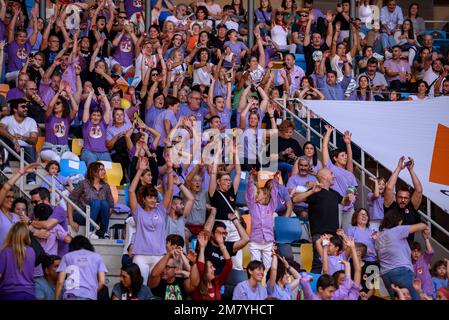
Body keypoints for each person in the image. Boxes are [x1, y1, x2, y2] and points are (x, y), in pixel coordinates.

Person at [292, 168, 353, 274]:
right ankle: (314, 287)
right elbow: (295, 199)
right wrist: (312, 191)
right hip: (320, 235)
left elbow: (345, 202)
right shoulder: (315, 190)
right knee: (318, 264)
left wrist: (348, 197)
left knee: (336, 265)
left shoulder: (334, 193)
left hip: (334, 236)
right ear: (324, 177)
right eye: (331, 174)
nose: (334, 176)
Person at [129, 157, 174, 284]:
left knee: (156, 287)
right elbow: (131, 191)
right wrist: (140, 171)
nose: (154, 200)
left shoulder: (160, 210)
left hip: (159, 255)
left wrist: (170, 169)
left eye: (155, 197)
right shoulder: (138, 212)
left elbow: (170, 190)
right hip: (140, 256)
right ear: (143, 199)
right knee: (141, 288)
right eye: (150, 197)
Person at [374, 209, 429, 300]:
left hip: (385, 274)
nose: (401, 222)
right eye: (401, 220)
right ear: (398, 220)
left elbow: (379, 258)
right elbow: (420, 225)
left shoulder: (379, 237)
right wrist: (426, 227)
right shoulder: (397, 230)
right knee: (414, 297)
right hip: (401, 270)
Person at [322, 125, 357, 230]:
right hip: (336, 204)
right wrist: (328, 132)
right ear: (335, 158)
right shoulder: (330, 167)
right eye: (342, 155)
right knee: (334, 230)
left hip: (349, 206)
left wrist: (348, 143)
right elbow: (324, 148)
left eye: (345, 155)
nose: (345, 157)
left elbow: (353, 186)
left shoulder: (349, 173)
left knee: (348, 233)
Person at [67, 162, 114, 239]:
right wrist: (71, 221)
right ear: (94, 172)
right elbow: (70, 200)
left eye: (104, 169)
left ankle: (103, 231)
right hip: (82, 215)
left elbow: (111, 206)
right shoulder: (83, 183)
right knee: (96, 202)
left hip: (97, 218)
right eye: (101, 170)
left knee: (105, 204)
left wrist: (103, 217)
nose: (104, 172)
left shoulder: (106, 186)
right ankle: (89, 231)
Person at [55, 235, 108, 300]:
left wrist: (56, 298)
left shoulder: (67, 256)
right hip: (90, 296)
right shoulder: (97, 257)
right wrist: (92, 292)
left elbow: (60, 282)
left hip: (71, 296)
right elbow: (102, 281)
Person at [384, 156, 423, 243]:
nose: (403, 200)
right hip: (390, 247)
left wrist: (411, 170)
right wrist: (398, 168)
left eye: (405, 198)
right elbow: (389, 188)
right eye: (400, 197)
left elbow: (419, 191)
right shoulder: (390, 206)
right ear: (396, 197)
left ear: (409, 199)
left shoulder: (412, 208)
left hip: (407, 249)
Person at [246, 169, 279, 270]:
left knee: (268, 268)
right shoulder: (252, 206)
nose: (256, 194)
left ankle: (266, 285)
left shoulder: (271, 206)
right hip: (255, 241)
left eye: (258, 193)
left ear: (265, 195)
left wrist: (275, 180)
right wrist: (251, 179)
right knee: (255, 268)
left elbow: (274, 193)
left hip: (268, 242)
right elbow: (249, 194)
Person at [0, 163, 40, 248]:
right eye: (7, 197)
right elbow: (5, 188)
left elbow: (26, 232)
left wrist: (30, 224)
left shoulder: (16, 216)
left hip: (17, 256)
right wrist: (21, 172)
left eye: (12, 197)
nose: (11, 199)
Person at [0, 98, 38, 181]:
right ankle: (6, 166)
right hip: (11, 150)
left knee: (31, 148)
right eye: (23, 107)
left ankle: (31, 179)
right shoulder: (7, 119)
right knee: (1, 139)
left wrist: (23, 138)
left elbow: (34, 140)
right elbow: (0, 128)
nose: (26, 109)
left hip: (25, 152)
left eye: (26, 107)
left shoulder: (31, 121)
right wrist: (13, 138)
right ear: (15, 109)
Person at [190, 231, 232, 300]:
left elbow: (229, 265)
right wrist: (202, 248)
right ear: (204, 270)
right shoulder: (197, 284)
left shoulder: (217, 282)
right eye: (211, 267)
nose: (214, 269)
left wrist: (221, 245)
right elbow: (200, 267)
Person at [0, 222, 36, 300]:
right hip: (28, 293)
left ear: (11, 234)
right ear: (26, 235)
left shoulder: (5, 252)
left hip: (8, 293)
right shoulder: (31, 251)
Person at [80, 87, 112, 165]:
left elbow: (108, 109)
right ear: (90, 116)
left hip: (103, 153)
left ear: (101, 117)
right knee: (93, 165)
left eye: (98, 115)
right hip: (88, 152)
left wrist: (103, 96)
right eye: (94, 115)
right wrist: (90, 94)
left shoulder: (103, 124)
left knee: (109, 168)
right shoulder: (86, 123)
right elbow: (86, 108)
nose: (96, 117)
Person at [411, 230, 434, 297]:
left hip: (428, 292)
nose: (416, 253)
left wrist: (426, 239)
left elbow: (430, 252)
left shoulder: (423, 259)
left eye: (418, 251)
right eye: (414, 251)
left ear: (421, 253)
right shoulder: (408, 263)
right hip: (417, 294)